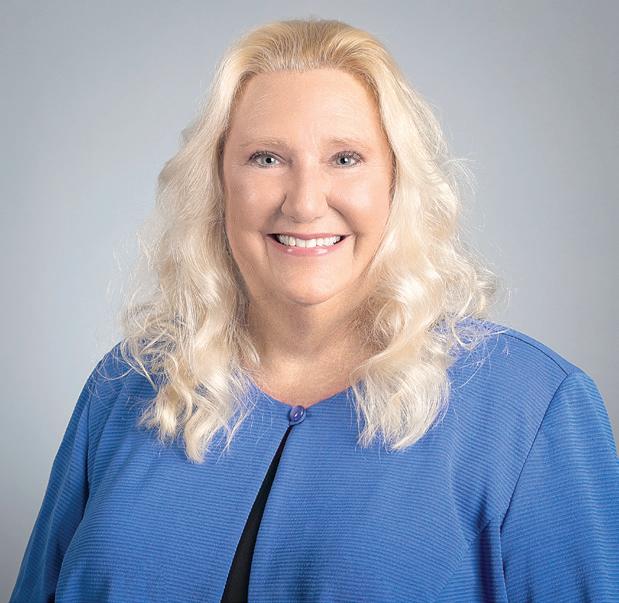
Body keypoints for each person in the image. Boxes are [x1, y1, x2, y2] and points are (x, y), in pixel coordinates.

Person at [10, 17, 618, 603]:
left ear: (396, 181)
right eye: (266, 158)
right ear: (218, 182)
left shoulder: (530, 408)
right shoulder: (129, 385)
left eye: (345, 158)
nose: (303, 204)